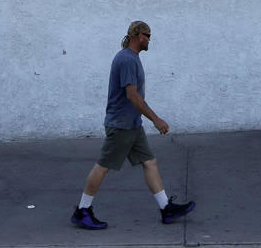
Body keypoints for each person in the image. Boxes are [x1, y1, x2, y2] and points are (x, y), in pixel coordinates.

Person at [71, 20, 195, 230]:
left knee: (149, 163)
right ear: (138, 35)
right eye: (148, 36)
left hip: (132, 125)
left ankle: (166, 208)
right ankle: (83, 210)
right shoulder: (127, 60)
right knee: (103, 166)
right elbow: (132, 96)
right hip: (121, 126)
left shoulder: (132, 58)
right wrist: (156, 119)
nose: (149, 40)